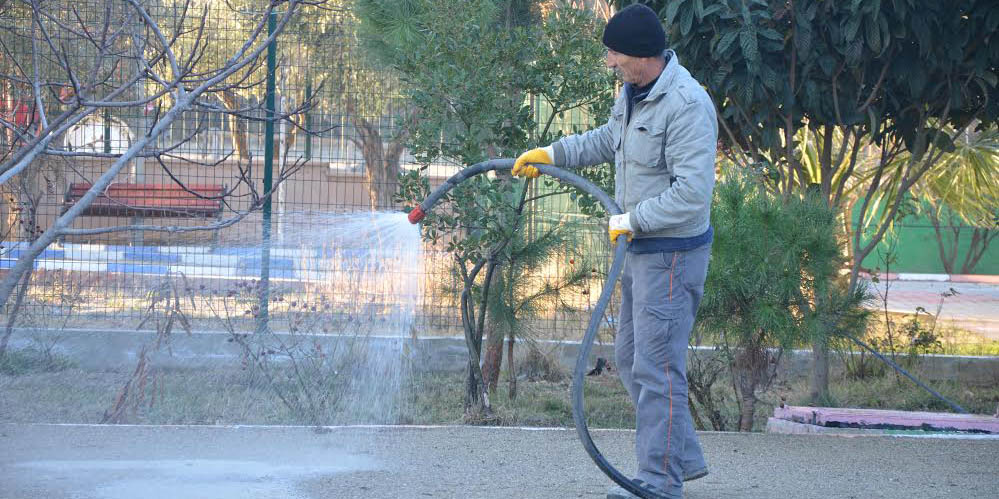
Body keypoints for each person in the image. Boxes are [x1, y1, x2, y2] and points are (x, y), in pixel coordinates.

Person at [511, 4, 717, 499]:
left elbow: (692, 194)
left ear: (642, 56)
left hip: (670, 256)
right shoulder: (634, 92)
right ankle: (680, 459)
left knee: (656, 367)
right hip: (641, 251)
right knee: (629, 358)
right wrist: (553, 154)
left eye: (614, 53)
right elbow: (609, 139)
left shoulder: (687, 105)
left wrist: (633, 219)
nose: (609, 62)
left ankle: (658, 483)